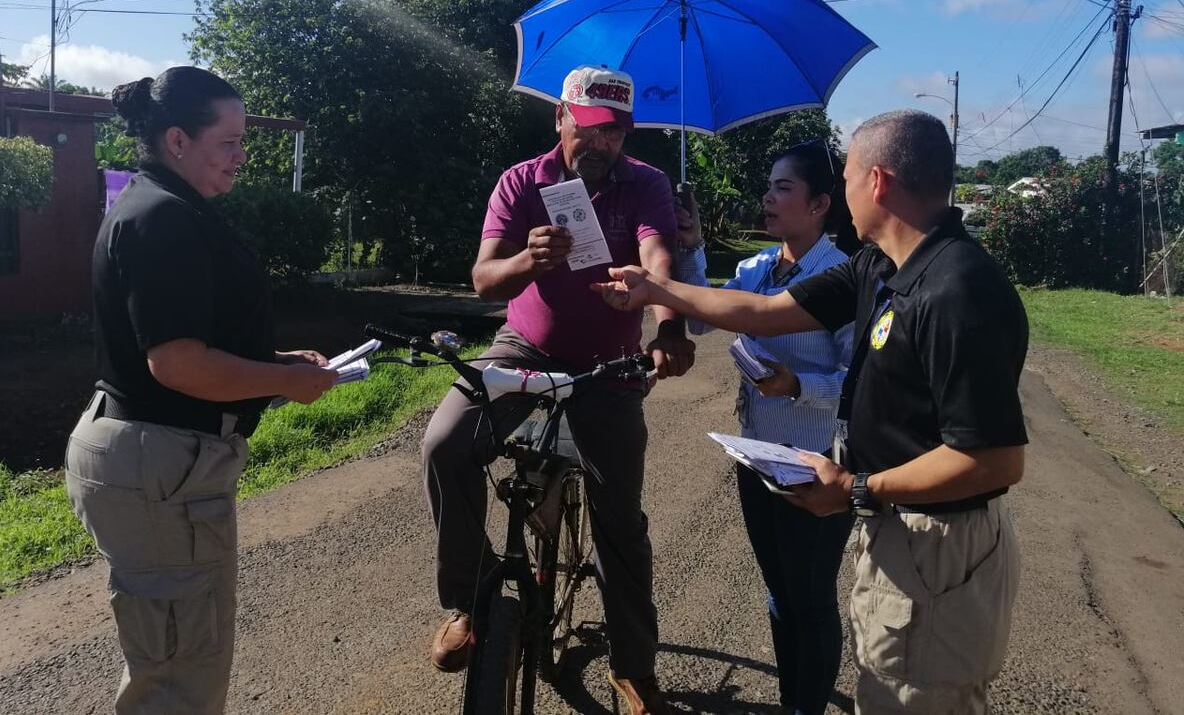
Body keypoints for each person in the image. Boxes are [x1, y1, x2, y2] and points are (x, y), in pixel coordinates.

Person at [594, 110, 1027, 715]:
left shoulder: (958, 289)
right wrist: (656, 288)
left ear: (877, 181)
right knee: (881, 682)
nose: (843, 192)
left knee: (915, 695)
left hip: (939, 539)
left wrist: (857, 487)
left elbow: (995, 460)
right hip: (899, 526)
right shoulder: (883, 266)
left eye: (846, 178)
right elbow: (766, 312)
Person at [421, 66, 695, 715]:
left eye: (615, 132)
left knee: (619, 519)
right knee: (444, 444)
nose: (601, 144)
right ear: (560, 119)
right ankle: (471, 598)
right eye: (590, 128)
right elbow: (485, 279)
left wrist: (669, 323)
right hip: (525, 347)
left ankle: (634, 667)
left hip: (610, 363)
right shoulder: (522, 181)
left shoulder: (646, 184)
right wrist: (529, 260)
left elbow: (658, 257)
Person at [65, 66, 338, 715]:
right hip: (161, 467)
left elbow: (185, 342)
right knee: (178, 683)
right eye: (229, 142)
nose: (242, 157)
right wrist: (286, 382)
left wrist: (274, 362)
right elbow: (178, 364)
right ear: (178, 140)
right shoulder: (164, 218)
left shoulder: (163, 206)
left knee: (174, 667)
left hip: (156, 462)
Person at [674, 139, 855, 715]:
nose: (768, 197)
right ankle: (791, 701)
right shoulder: (755, 269)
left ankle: (808, 707)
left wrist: (798, 385)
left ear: (819, 204)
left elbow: (858, 381)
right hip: (756, 455)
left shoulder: (843, 277)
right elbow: (703, 319)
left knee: (811, 597)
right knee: (779, 590)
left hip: (815, 461)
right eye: (768, 186)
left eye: (784, 187)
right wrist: (691, 245)